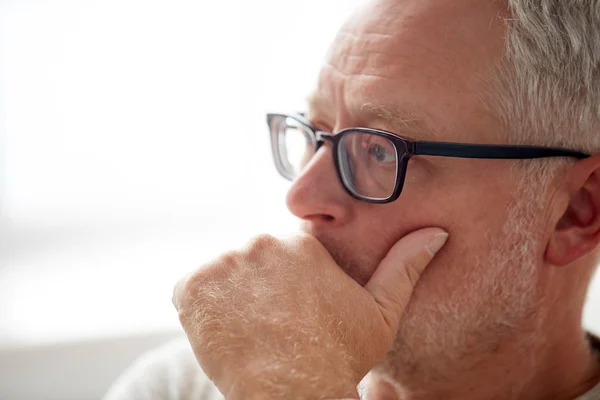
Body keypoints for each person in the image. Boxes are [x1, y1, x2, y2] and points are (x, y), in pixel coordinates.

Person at [104, 0, 600, 399]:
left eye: (382, 150)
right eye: (315, 132)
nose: (302, 196)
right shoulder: (176, 386)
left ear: (575, 213)